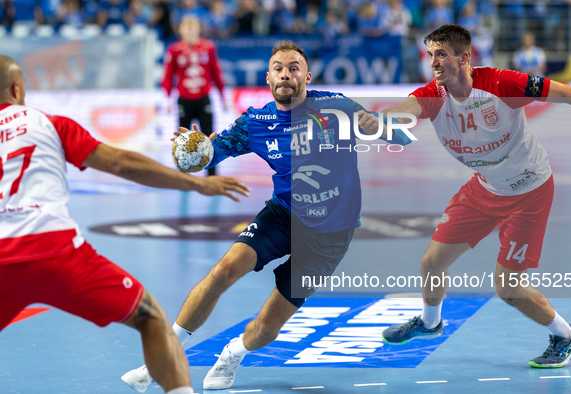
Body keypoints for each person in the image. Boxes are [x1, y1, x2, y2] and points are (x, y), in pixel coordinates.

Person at [121, 39, 413, 391]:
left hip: (329, 236)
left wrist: (378, 126)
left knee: (265, 328)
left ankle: (233, 353)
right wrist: (194, 147)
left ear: (306, 75)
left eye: (293, 68)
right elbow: (212, 154)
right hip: (284, 214)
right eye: (278, 68)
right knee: (223, 271)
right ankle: (162, 360)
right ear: (268, 77)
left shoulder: (336, 107)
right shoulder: (256, 122)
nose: (286, 74)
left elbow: (402, 135)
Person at [0, 55, 250, 394]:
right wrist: (197, 183)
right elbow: (122, 163)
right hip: (56, 251)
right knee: (151, 318)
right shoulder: (48, 123)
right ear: (17, 88)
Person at [372, 24, 571, 368]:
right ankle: (430, 323)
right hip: (484, 188)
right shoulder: (434, 95)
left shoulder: (503, 84)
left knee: (508, 288)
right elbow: (403, 111)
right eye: (431, 55)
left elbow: (568, 94)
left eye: (441, 54)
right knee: (431, 263)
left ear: (464, 57)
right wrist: (374, 122)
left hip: (528, 193)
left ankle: (567, 336)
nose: (434, 63)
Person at [162, 15, 226, 176]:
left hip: (204, 97)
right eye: (186, 27)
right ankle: (184, 176)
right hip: (184, 99)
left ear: (198, 29)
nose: (190, 30)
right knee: (183, 140)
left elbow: (216, 72)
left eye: (193, 27)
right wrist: (167, 99)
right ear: (181, 29)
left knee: (209, 137)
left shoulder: (208, 47)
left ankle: (212, 176)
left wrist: (222, 96)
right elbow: (168, 75)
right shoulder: (174, 49)